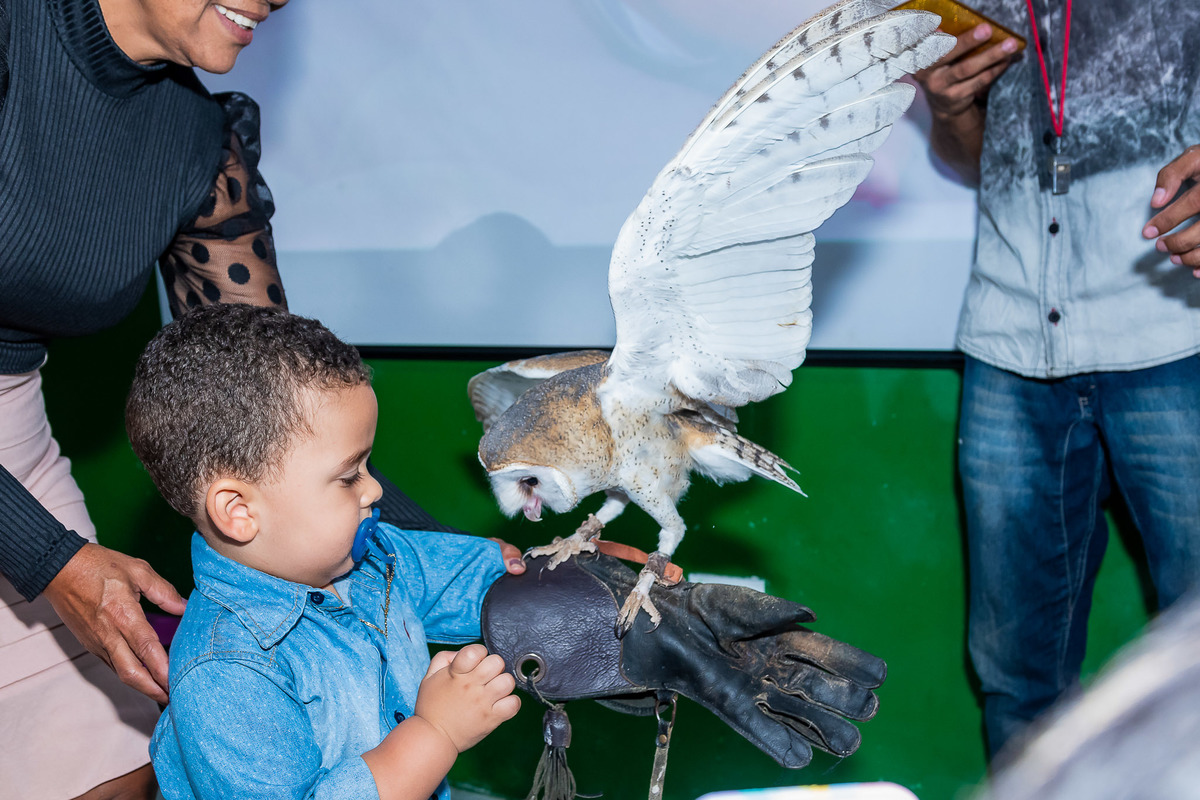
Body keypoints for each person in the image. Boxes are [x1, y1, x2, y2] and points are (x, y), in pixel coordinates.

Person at [0, 1, 521, 797]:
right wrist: (48, 557)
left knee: (109, 766)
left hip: (11, 447)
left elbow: (285, 424)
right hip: (25, 530)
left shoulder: (195, 139)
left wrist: (530, 582)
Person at [912, 0, 1200, 762]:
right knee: (1018, 683)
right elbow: (974, 159)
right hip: (1008, 343)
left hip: (1178, 333)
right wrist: (951, 111)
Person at [124, 303, 521, 799]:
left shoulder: (373, 556)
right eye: (349, 474)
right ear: (239, 511)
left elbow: (461, 577)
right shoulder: (226, 673)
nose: (374, 490)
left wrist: (529, 573)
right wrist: (436, 733)